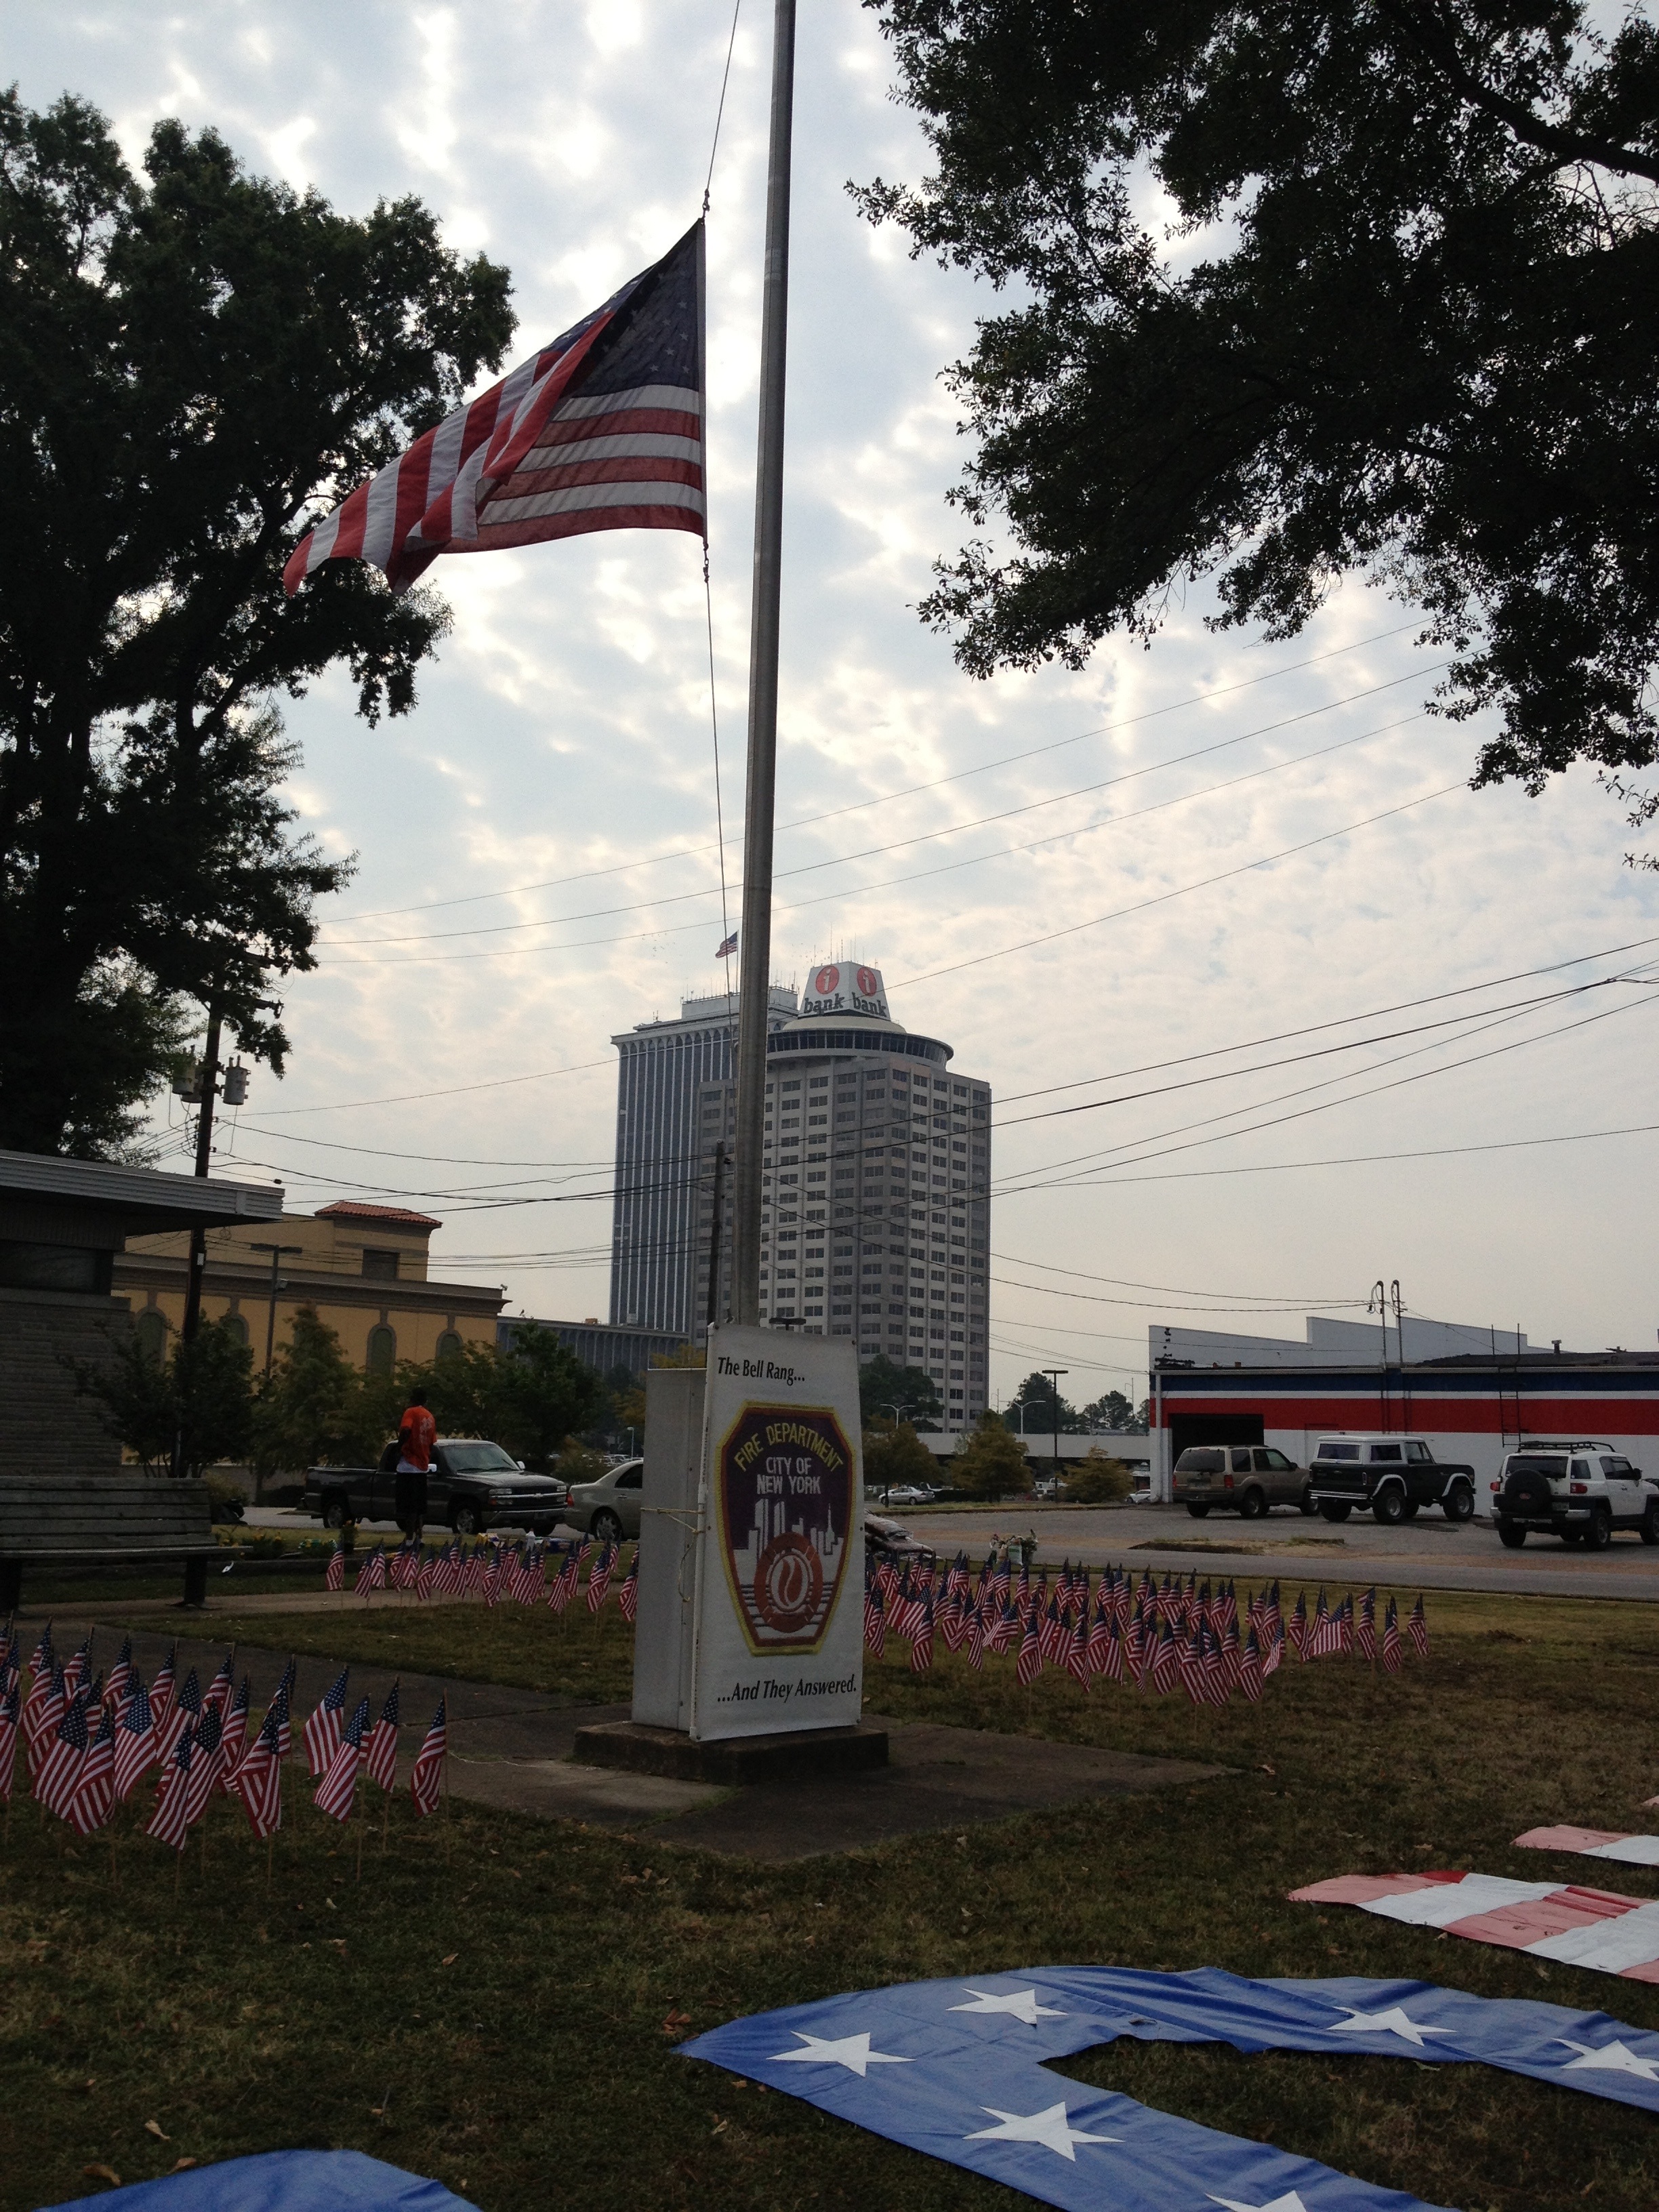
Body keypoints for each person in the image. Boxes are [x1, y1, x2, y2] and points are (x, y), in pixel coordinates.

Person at [395, 1385, 436, 1540]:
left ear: (412, 1399)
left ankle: (408, 1540)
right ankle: (419, 1538)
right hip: (422, 1466)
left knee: (408, 1508)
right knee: (419, 1507)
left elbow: (406, 1430)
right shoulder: (430, 1417)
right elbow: (432, 1443)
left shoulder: (410, 1412)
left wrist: (399, 1448)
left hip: (408, 1465)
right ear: (426, 1401)